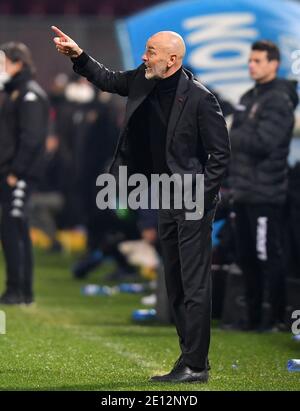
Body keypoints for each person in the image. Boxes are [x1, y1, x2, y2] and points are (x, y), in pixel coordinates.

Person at [51, 26, 230, 383]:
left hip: (190, 199)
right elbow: (108, 79)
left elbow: (221, 156)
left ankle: (195, 365)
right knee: (174, 282)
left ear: (172, 60)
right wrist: (79, 56)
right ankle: (191, 360)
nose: (144, 57)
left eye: (151, 52)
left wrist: (200, 194)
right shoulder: (144, 79)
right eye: (146, 50)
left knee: (193, 284)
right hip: (161, 194)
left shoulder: (200, 98)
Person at [229, 40, 298, 331]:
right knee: (245, 256)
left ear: (274, 64)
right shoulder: (249, 96)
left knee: (267, 255)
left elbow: (264, 143)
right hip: (243, 190)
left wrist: (233, 131)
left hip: (266, 193)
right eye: (250, 60)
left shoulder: (279, 100)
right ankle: (253, 316)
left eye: (258, 60)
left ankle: (276, 318)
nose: (251, 65)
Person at [0, 42, 49, 305]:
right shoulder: (15, 92)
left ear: (18, 63)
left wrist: (16, 170)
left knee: (15, 228)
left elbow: (31, 139)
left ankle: (19, 291)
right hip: (11, 171)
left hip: (19, 174)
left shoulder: (29, 95)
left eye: (3, 63)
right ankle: (18, 289)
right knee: (11, 229)